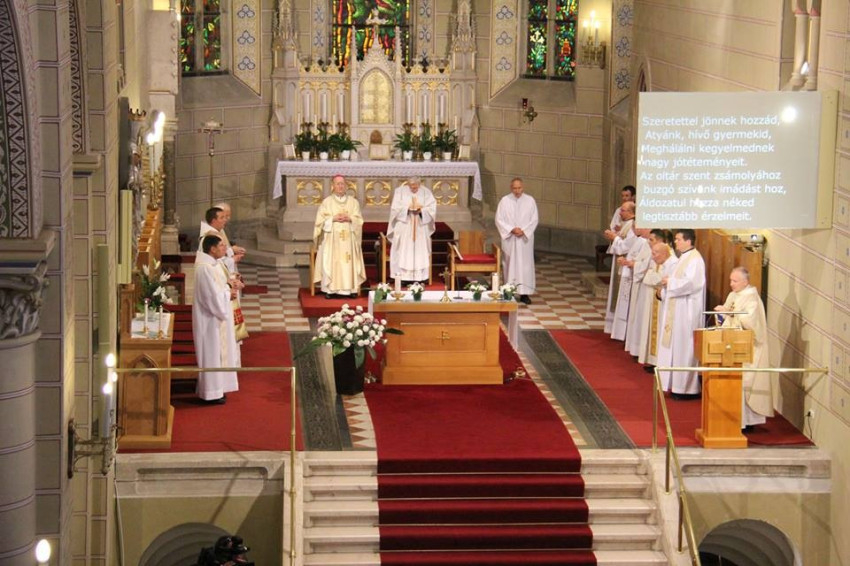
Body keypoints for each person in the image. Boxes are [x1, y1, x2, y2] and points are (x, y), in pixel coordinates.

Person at [714, 267, 774, 428]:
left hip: (748, 348)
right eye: (730, 280)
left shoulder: (752, 298)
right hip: (731, 344)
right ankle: (732, 418)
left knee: (745, 384)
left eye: (735, 281)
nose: (731, 284)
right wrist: (721, 314)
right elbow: (727, 317)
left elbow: (750, 322)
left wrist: (729, 312)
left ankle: (748, 422)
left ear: (745, 282)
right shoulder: (733, 295)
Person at [657, 229, 706, 398]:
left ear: (688, 241)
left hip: (687, 313)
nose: (675, 242)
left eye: (678, 239)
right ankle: (675, 385)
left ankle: (687, 389)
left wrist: (669, 282)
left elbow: (692, 284)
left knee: (685, 349)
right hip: (677, 311)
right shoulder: (684, 258)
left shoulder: (695, 259)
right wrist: (665, 289)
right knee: (675, 349)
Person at [193, 235, 242, 404]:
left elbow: (221, 286)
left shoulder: (214, 264)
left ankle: (218, 389)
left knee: (219, 354)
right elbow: (211, 297)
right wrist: (229, 291)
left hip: (218, 316)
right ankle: (210, 393)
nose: (224, 249)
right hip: (209, 320)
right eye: (221, 246)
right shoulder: (204, 268)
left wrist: (231, 285)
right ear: (212, 249)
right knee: (211, 354)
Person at [313, 174, 367, 298]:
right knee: (333, 260)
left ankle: (350, 290)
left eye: (342, 184)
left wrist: (350, 218)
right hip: (332, 238)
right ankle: (331, 290)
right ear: (333, 186)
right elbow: (319, 222)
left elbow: (359, 220)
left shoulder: (353, 202)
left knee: (348, 260)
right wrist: (333, 218)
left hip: (349, 239)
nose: (340, 186)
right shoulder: (327, 202)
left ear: (346, 186)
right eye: (338, 184)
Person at [635, 239, 678, 369]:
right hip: (657, 299)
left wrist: (653, 277)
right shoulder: (662, 262)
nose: (652, 257)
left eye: (655, 254)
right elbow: (650, 277)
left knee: (662, 331)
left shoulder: (673, 264)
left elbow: (660, 280)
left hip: (666, 303)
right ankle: (655, 361)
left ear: (664, 253)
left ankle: (660, 363)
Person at [495, 177, 539, 304]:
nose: (517, 191)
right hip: (510, 238)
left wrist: (523, 231)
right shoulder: (505, 201)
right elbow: (499, 219)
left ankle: (524, 294)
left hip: (524, 240)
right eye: (514, 188)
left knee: (525, 266)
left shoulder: (530, 201)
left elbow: (534, 219)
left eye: (519, 188)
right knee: (509, 264)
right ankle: (509, 291)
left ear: (523, 187)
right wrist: (511, 229)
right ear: (511, 188)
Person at [387, 176, 436, 283]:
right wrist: (407, 209)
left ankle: (420, 277)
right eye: (411, 186)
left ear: (419, 184)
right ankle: (402, 277)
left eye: (416, 187)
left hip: (420, 226)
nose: (413, 189)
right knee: (403, 250)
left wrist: (422, 211)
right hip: (404, 225)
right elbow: (394, 209)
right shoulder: (399, 192)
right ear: (408, 184)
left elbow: (432, 208)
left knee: (419, 250)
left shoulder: (426, 192)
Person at [602, 201, 636, 334]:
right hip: (619, 263)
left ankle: (621, 330)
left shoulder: (632, 226)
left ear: (631, 212)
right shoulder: (625, 224)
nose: (619, 213)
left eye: (622, 210)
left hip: (626, 267)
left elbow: (626, 246)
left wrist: (614, 238)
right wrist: (614, 237)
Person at [612, 226, 651, 342]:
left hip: (641, 281)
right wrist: (628, 262)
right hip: (632, 276)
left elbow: (646, 264)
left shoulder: (646, 242)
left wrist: (630, 263)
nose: (635, 229)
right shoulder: (641, 240)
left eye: (638, 226)